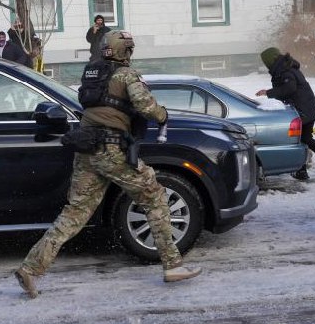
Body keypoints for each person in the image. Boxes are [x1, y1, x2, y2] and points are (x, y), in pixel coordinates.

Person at [14, 30, 201, 299]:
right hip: (112, 151)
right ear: (125, 50)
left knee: (74, 213)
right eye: (130, 49)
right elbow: (146, 107)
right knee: (155, 197)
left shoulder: (93, 73)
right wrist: (162, 116)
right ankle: (173, 265)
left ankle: (30, 268)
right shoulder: (126, 75)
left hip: (86, 150)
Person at [256, 47, 315, 181]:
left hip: (303, 110)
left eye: (266, 62)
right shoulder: (286, 67)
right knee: (303, 138)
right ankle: (303, 169)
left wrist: (268, 93)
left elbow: (290, 88)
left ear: (270, 60)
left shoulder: (284, 70)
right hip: (307, 108)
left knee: (299, 138)